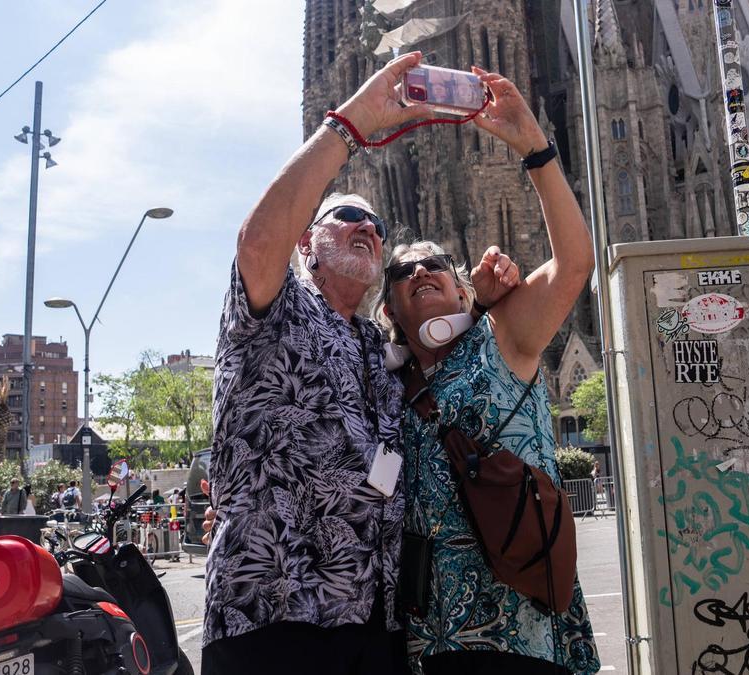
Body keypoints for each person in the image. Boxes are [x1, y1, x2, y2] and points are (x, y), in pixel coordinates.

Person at [202, 51, 519, 675]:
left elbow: (447, 350)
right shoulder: (273, 309)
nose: (366, 229)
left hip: (375, 622)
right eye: (345, 217)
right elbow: (256, 240)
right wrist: (352, 124)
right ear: (306, 244)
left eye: (373, 224)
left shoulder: (379, 348)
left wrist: (487, 300)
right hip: (271, 610)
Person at [375, 65, 598, 674]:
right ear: (390, 307)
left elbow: (575, 262)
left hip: (515, 636)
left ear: (461, 283)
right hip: (429, 645)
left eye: (434, 264)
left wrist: (535, 149)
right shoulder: (387, 389)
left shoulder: (502, 340)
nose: (418, 271)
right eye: (401, 272)